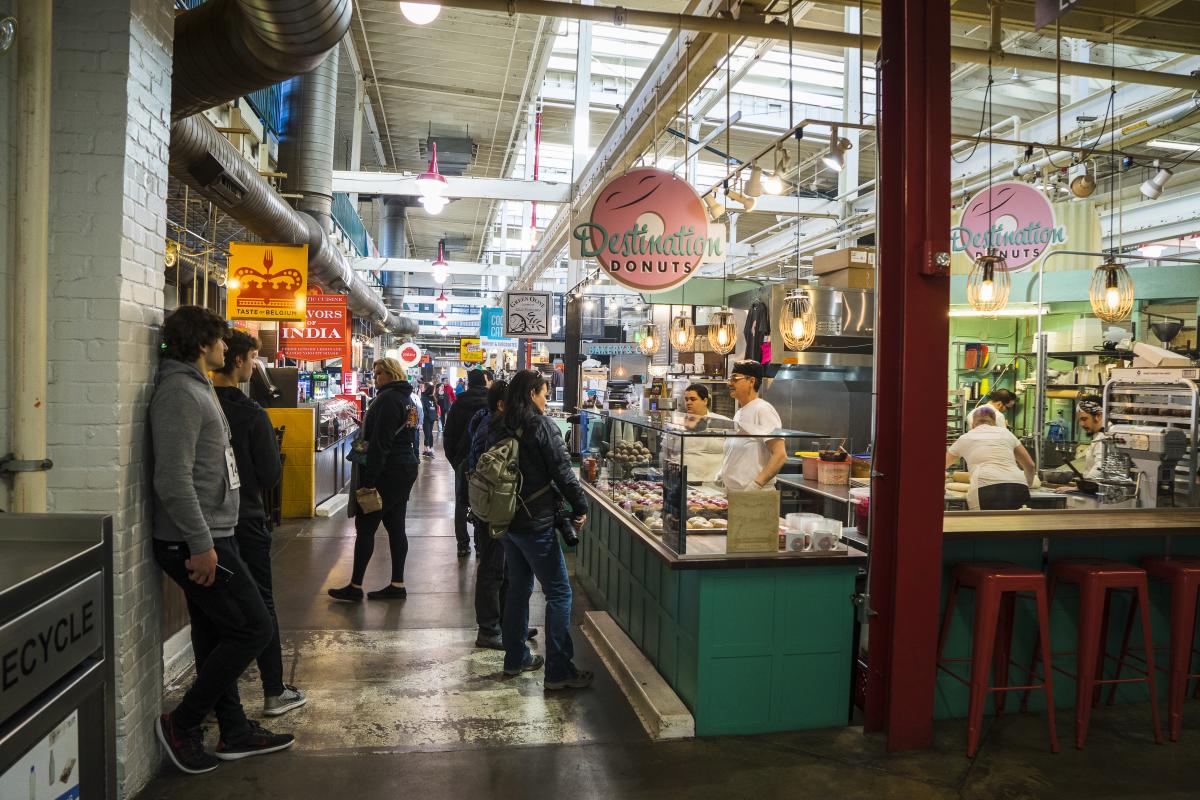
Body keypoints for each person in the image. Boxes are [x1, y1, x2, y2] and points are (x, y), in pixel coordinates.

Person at [150, 306, 293, 774]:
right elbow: (173, 479)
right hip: (200, 540)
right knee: (254, 626)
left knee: (216, 634)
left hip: (213, 534)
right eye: (218, 340)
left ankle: (234, 730)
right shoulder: (180, 394)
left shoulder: (198, 388)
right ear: (202, 343)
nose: (225, 348)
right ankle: (183, 723)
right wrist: (200, 543)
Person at [212, 330, 307, 718]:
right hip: (245, 519)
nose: (255, 366)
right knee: (262, 603)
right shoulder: (251, 413)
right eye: (253, 358)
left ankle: (217, 696)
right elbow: (270, 475)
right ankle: (273, 689)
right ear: (237, 360)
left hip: (204, 527)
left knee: (214, 612)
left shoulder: (197, 403)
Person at [486, 370, 592, 689]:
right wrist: (581, 507)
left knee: (518, 587)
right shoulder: (541, 425)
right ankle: (559, 671)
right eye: (545, 394)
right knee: (559, 592)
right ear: (532, 393)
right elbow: (562, 472)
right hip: (536, 522)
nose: (547, 399)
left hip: (506, 521)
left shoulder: (498, 424)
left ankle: (515, 658)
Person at [329, 358, 421, 602]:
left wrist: (369, 481)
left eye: (380, 373)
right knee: (395, 526)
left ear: (391, 374)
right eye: (375, 372)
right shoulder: (406, 399)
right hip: (404, 468)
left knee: (366, 526)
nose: (376, 377)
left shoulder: (388, 400)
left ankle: (355, 586)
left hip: (388, 471)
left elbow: (381, 443)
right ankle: (397, 584)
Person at [465, 379, 537, 650]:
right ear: (501, 404)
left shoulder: (493, 424)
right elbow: (488, 472)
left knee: (506, 568)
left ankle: (509, 624)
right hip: (492, 508)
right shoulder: (492, 429)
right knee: (493, 569)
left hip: (497, 507)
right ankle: (488, 630)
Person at [946, 405, 1035, 510]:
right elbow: (1030, 465)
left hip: (986, 487)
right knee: (1018, 525)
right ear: (994, 422)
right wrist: (1027, 485)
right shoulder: (1007, 434)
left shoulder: (966, 437)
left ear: (973, 423)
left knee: (986, 525)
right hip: (1018, 486)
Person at [720, 361, 788, 491]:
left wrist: (756, 485)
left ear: (751, 381)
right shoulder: (739, 413)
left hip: (755, 494)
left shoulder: (763, 409)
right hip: (735, 493)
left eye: (735, 378)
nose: (729, 383)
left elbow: (780, 455)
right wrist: (722, 473)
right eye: (730, 379)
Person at [444, 369, 490, 557]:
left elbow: (448, 435)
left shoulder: (458, 403)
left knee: (461, 502)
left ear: (468, 383)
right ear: (484, 382)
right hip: (487, 460)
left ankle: (463, 544)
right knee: (484, 501)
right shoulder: (491, 402)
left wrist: (455, 461)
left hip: (462, 459)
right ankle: (481, 545)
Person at [677, 383, 731, 483]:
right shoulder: (677, 424)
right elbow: (666, 452)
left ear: (705, 401)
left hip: (713, 483)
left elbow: (733, 453)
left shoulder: (722, 423)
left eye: (693, 399)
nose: (688, 402)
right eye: (686, 399)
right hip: (684, 481)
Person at [1074, 396, 1108, 480]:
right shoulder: (1098, 435)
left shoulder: (1105, 437)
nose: (1081, 424)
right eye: (1080, 420)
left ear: (1098, 416)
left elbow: (1100, 468)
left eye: (1084, 419)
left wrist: (1081, 487)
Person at [420, 382, 437, 459]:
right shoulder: (424, 398)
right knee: (428, 434)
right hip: (427, 419)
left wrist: (433, 417)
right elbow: (423, 410)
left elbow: (435, 408)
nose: (434, 391)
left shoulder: (432, 398)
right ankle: (427, 449)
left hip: (431, 418)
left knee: (429, 433)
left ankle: (428, 449)